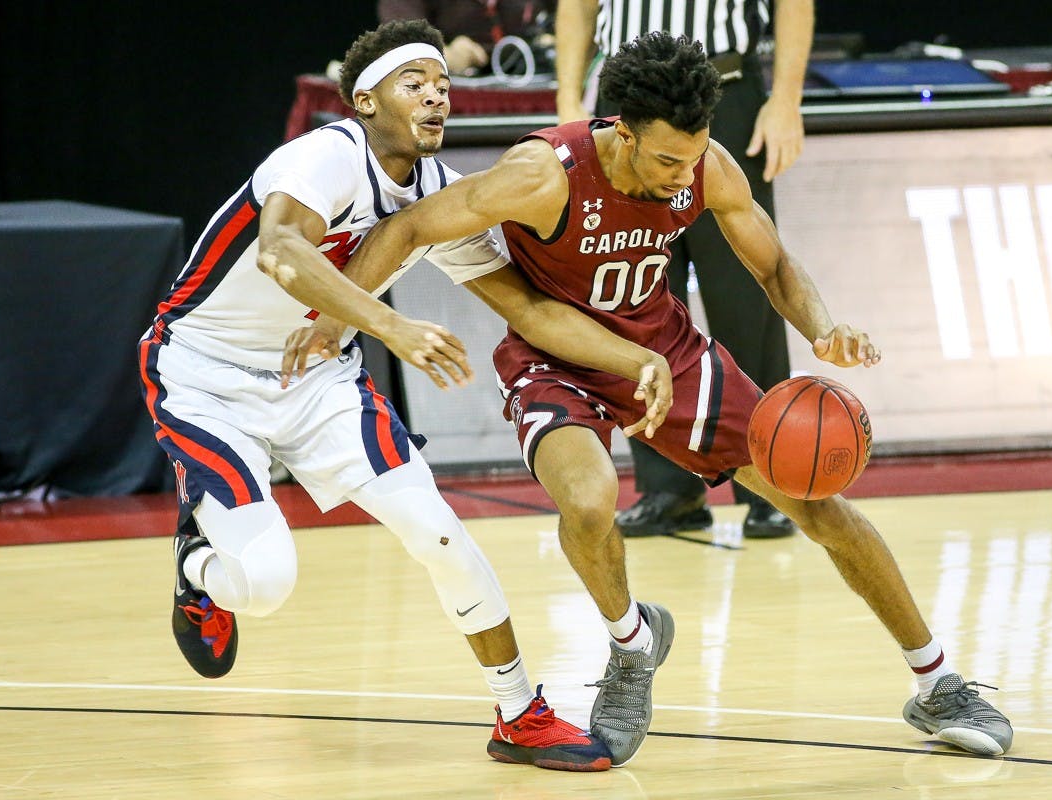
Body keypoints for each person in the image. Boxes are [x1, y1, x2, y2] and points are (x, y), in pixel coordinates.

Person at [287, 31, 1015, 766]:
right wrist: (333, 315)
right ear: (623, 133)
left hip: (668, 354)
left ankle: (937, 681)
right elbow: (409, 224)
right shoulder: (543, 173)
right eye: (666, 159)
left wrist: (823, 329)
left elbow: (774, 265)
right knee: (589, 499)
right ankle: (632, 647)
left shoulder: (705, 167)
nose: (681, 176)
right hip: (554, 360)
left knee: (816, 503)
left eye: (692, 157)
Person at [137, 19, 677, 773]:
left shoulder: (439, 195)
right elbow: (282, 250)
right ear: (364, 100)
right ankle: (200, 566)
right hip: (206, 372)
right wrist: (389, 324)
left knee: (441, 532)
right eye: (413, 82)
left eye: (443, 84)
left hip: (318, 381)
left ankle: (520, 712)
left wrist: (636, 355)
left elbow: (528, 309)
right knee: (264, 583)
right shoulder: (324, 154)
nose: (436, 96)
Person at [554, 0, 814, 540]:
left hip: (721, 93)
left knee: (745, 294)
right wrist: (566, 99)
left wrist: (786, 97)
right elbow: (576, 7)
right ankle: (668, 487)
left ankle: (770, 482)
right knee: (630, 299)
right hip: (624, 105)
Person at [378, 0, 553, 76]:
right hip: (453, 105)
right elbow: (402, 42)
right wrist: (441, 56)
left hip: (538, 89)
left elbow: (569, 21)